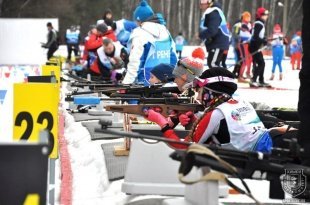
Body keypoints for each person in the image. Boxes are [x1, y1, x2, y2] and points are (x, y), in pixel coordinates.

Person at [144, 67, 273, 152]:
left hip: (265, 151)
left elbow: (184, 149)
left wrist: (162, 123)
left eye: (200, 91)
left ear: (211, 92)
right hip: (270, 141)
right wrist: (196, 121)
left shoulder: (216, 113)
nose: (199, 97)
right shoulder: (240, 102)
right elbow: (224, 131)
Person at [122, 0, 177, 85]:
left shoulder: (139, 33)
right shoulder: (165, 31)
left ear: (138, 20)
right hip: (166, 82)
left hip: (146, 83)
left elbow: (134, 61)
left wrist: (126, 83)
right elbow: (173, 57)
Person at [199, 0, 230, 68]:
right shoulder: (211, 12)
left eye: (203, 2)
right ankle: (217, 77)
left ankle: (220, 78)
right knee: (212, 63)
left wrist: (200, 35)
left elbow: (212, 30)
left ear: (209, 2)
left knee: (213, 64)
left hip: (218, 42)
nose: (200, 4)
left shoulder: (214, 12)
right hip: (215, 42)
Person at [249, 7, 269, 87]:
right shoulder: (259, 24)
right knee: (261, 63)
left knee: (261, 63)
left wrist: (263, 39)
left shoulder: (259, 23)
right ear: (261, 15)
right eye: (265, 14)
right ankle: (254, 80)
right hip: (254, 46)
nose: (266, 16)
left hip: (255, 46)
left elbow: (257, 36)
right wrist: (263, 41)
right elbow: (255, 36)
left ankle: (260, 80)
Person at [238, 11, 252, 82]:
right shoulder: (242, 24)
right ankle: (240, 76)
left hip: (248, 43)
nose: (248, 18)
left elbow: (250, 33)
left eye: (249, 17)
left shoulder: (249, 24)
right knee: (244, 61)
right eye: (247, 17)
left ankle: (247, 73)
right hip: (243, 44)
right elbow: (247, 32)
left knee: (249, 59)